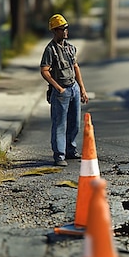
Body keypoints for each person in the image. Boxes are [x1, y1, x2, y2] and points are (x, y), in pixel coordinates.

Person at [40, 14, 89, 166]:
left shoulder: (70, 48)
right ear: (55, 31)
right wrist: (57, 87)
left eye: (67, 28)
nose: (66, 31)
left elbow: (76, 67)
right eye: (62, 29)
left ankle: (70, 150)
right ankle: (59, 155)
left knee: (75, 123)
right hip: (61, 91)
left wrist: (82, 88)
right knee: (59, 124)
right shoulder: (50, 50)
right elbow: (44, 70)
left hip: (73, 87)